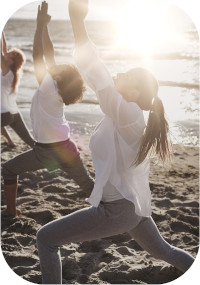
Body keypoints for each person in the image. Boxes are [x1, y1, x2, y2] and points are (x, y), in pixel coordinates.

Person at [36, 1, 195, 283]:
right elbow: (101, 77)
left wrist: (77, 21)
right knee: (166, 252)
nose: (119, 75)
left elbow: (96, 72)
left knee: (45, 238)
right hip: (133, 207)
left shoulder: (129, 113)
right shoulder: (125, 114)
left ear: (136, 91)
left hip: (117, 210)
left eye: (128, 76)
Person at [1, 1, 94, 217]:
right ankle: (114, 209)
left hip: (45, 152)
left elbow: (38, 55)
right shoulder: (57, 88)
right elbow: (49, 54)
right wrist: (44, 26)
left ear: (60, 76)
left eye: (59, 68)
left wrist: (38, 25)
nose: (55, 67)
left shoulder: (48, 86)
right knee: (89, 186)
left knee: (8, 169)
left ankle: (11, 212)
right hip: (67, 149)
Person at [1, 31, 34, 147]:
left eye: (8, 55)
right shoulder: (13, 73)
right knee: (31, 142)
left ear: (12, 62)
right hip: (14, 113)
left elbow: (1, 52)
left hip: (4, 115)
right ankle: (55, 156)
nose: (6, 54)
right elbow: (4, 49)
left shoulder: (8, 73)